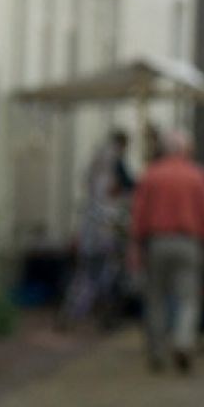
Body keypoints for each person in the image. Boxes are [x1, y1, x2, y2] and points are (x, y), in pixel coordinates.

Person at [128, 129, 204, 375]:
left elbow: (138, 214)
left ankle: (157, 350)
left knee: (155, 297)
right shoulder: (198, 176)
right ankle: (183, 341)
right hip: (189, 242)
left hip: (156, 242)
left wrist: (135, 246)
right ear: (187, 150)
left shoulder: (151, 175)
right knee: (189, 298)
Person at [59, 129, 135, 330]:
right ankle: (100, 316)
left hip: (91, 232)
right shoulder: (110, 171)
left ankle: (72, 313)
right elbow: (122, 192)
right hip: (104, 232)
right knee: (105, 275)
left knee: (87, 275)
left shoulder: (95, 171)